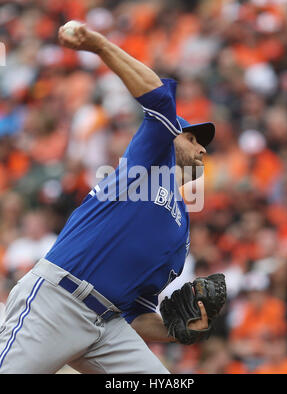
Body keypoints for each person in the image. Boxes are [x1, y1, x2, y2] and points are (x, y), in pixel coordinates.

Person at [0, 22, 216, 374]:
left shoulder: (181, 233)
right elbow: (159, 98)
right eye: (193, 137)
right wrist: (98, 44)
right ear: (172, 135)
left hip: (108, 325)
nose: (202, 146)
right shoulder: (149, 161)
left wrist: (179, 332)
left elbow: (138, 313)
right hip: (58, 301)